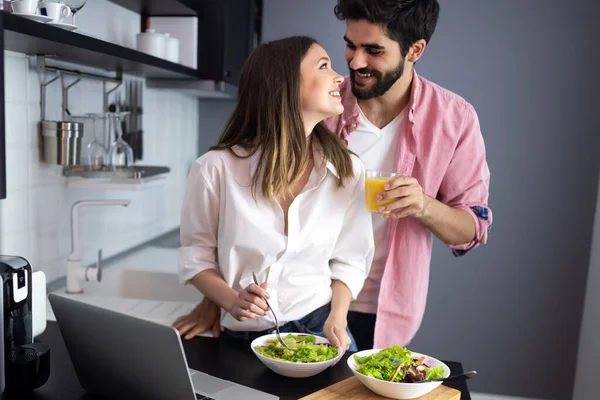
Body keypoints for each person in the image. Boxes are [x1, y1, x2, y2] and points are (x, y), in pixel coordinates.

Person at [172, 35, 374, 353]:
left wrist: (338, 316)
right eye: (324, 66)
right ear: (286, 84)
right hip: (241, 338)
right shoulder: (214, 170)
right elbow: (196, 257)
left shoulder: (347, 170)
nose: (340, 77)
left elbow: (351, 259)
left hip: (321, 329)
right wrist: (230, 300)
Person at [324, 0, 493, 350]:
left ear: (415, 50)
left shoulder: (455, 118)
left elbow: (472, 228)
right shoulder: (322, 101)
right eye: (350, 46)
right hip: (305, 297)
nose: (356, 62)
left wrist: (423, 206)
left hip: (384, 311)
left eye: (373, 50)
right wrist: (215, 299)